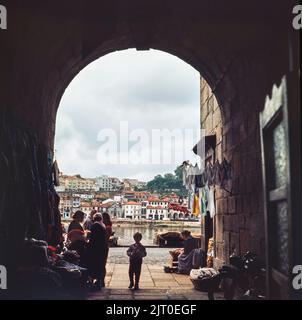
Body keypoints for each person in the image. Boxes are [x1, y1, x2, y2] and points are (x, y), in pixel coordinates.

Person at [86, 213, 108, 290]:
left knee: (95, 264)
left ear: (94, 219)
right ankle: (101, 281)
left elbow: (93, 238)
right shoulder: (103, 225)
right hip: (103, 247)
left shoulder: (95, 225)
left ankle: (97, 282)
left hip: (97, 248)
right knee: (102, 264)